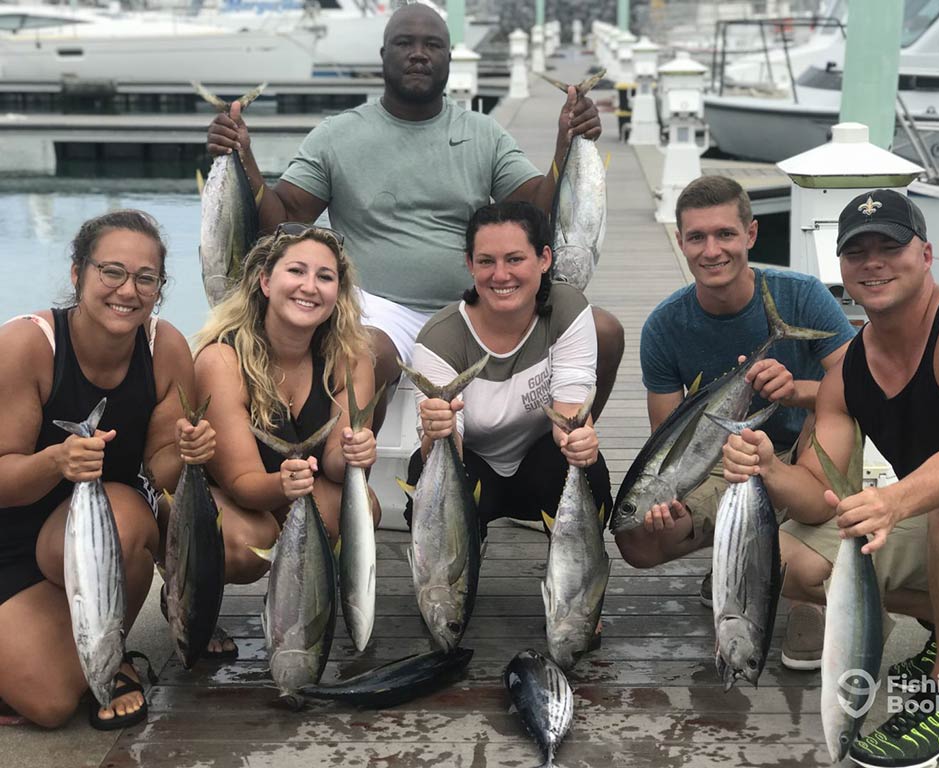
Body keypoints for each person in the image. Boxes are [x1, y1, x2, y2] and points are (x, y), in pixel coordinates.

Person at [204, 3, 624, 433]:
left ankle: (564, 463)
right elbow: (286, 220)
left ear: (448, 58)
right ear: (384, 55)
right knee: (364, 353)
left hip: (475, 306)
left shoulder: (484, 133)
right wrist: (244, 158)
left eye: (432, 45)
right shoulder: (337, 134)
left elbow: (537, 210)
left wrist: (565, 144)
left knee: (604, 331)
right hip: (379, 310)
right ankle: (348, 485)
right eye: (405, 44)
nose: (419, 54)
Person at [721, 188, 939, 767]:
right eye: (858, 251)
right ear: (842, 267)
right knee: (791, 557)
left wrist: (892, 501)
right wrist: (768, 469)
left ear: (927, 254)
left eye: (892, 245)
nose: (874, 262)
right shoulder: (850, 369)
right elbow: (816, 500)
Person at [614, 175, 854, 664]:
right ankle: (739, 559)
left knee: (810, 508)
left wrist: (797, 391)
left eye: (725, 234)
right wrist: (672, 504)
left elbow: (859, 386)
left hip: (812, 442)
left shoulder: (802, 295)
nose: (711, 250)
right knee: (638, 539)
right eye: (697, 237)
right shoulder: (664, 326)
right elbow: (671, 441)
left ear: (751, 234)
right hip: (731, 459)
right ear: (680, 241)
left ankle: (803, 595)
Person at [0, 210, 215, 730]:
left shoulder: (165, 348)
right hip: (11, 536)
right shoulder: (27, 345)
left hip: (99, 537)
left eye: (146, 278)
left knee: (129, 519)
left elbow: (159, 471)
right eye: (111, 271)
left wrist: (188, 452)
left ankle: (110, 652)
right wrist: (56, 461)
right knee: (50, 705)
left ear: (160, 288)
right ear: (78, 273)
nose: (128, 290)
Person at [193, 222, 379, 614]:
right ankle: (190, 591)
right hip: (234, 493)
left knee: (360, 506)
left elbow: (332, 463)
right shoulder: (223, 359)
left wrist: (353, 451)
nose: (310, 287)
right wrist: (285, 483)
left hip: (299, 484)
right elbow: (243, 484)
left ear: (337, 293)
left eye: (325, 277)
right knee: (246, 544)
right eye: (296, 271)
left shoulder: (352, 357)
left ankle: (294, 597)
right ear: (264, 281)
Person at [406, 200, 612, 543]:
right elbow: (441, 454)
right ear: (470, 265)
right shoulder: (439, 338)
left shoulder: (567, 308)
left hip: (540, 465)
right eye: (486, 261)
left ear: (544, 259)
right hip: (471, 467)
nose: (500, 275)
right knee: (423, 470)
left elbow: (570, 414)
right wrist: (435, 430)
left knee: (589, 471)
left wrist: (579, 440)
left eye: (515, 259)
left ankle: (570, 576)